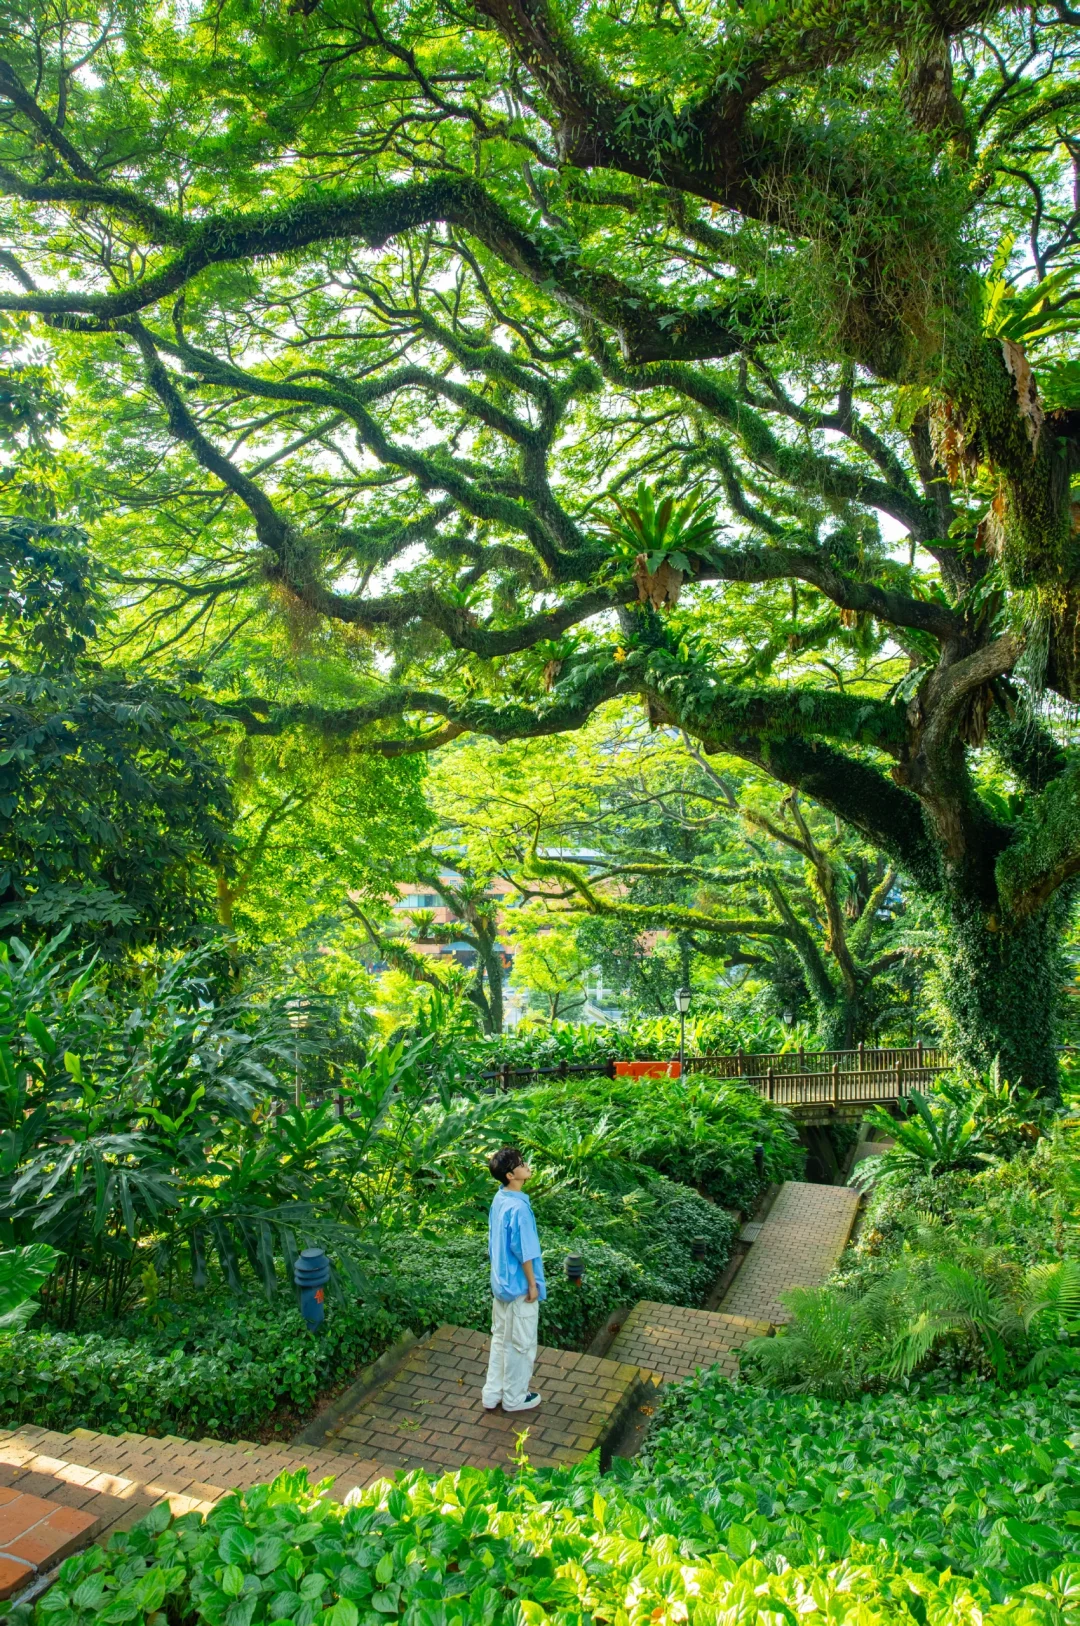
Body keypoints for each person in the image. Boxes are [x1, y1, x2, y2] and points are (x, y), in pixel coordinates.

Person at [482, 1145, 546, 1413]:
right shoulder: (519, 1208)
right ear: (511, 1175)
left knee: (500, 1339)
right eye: (521, 1163)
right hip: (520, 1287)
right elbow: (525, 1251)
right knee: (521, 1344)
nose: (526, 1165)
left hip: (501, 1285)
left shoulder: (500, 1199)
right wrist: (533, 1285)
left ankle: (492, 1394)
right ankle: (514, 1398)